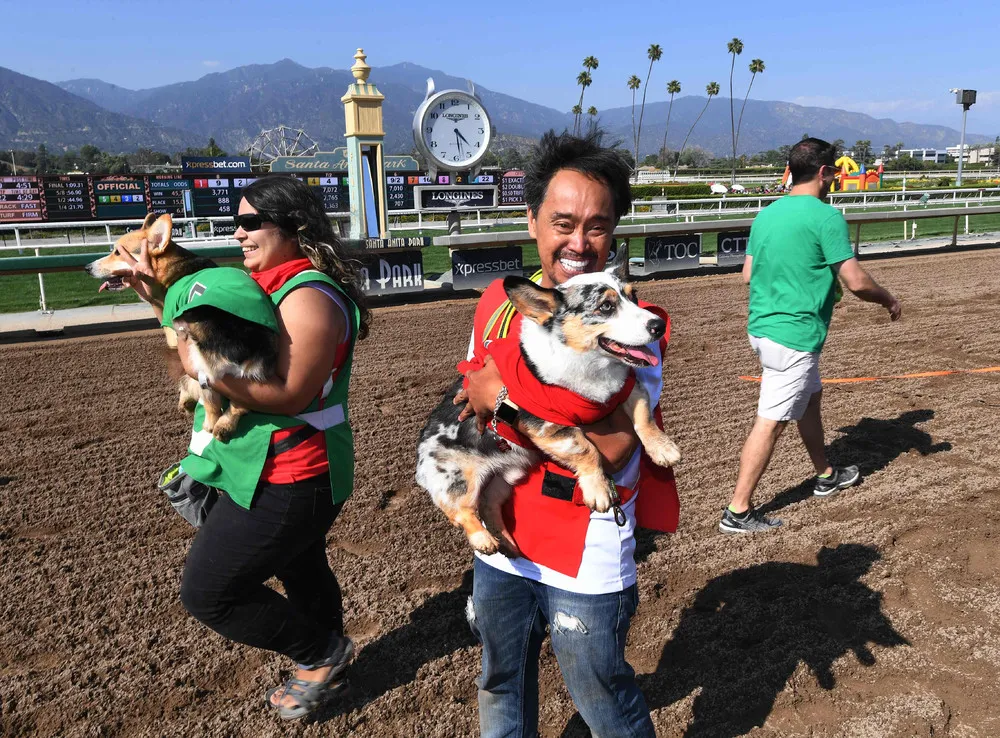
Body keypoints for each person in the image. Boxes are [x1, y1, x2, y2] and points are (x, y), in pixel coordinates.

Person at [119, 176, 372, 720]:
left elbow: (288, 393)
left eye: (251, 222)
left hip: (296, 473)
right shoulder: (266, 288)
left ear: (293, 227)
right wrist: (162, 302)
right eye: (238, 222)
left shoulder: (308, 297)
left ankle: (320, 654)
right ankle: (331, 661)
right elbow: (203, 351)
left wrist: (196, 360)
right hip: (265, 467)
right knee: (303, 566)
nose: (238, 233)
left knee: (209, 591)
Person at [458, 130, 679, 737]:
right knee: (500, 683)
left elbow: (612, 444)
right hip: (506, 538)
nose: (579, 242)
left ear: (616, 232)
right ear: (532, 221)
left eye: (598, 225)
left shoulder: (632, 325)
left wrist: (500, 398)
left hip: (586, 540)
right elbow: (467, 409)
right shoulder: (499, 307)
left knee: (600, 696)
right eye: (563, 222)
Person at [720, 138, 901, 534]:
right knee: (770, 422)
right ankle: (738, 511)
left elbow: (748, 275)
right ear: (823, 172)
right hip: (794, 336)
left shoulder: (766, 215)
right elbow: (855, 281)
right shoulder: (826, 216)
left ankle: (826, 474)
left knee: (811, 400)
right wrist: (888, 299)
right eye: (834, 171)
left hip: (762, 330)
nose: (835, 178)